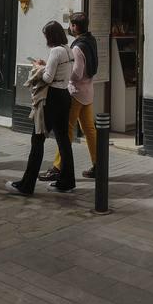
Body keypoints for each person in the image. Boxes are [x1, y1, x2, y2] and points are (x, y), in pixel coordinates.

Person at [8, 20, 75, 195]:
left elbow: (47, 78)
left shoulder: (55, 51)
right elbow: (59, 72)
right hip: (65, 96)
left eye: (46, 35)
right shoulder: (68, 50)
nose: (45, 38)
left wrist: (38, 67)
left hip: (51, 98)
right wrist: (46, 66)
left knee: (37, 140)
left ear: (51, 36)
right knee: (63, 140)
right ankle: (67, 182)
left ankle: (26, 185)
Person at [40, 13, 98, 181]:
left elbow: (77, 74)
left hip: (75, 93)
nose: (70, 28)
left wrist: (63, 70)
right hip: (88, 92)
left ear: (75, 26)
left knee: (65, 131)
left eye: (71, 25)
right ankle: (98, 164)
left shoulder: (78, 47)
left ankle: (58, 167)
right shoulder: (91, 41)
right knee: (89, 130)